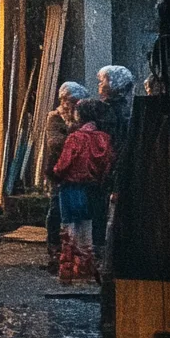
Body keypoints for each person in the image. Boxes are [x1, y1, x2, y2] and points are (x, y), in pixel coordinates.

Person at [52, 97, 115, 284]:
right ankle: (85, 270)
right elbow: (108, 163)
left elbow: (63, 165)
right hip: (93, 188)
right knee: (87, 230)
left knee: (69, 230)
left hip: (71, 187)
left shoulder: (75, 138)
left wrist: (55, 174)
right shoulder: (104, 138)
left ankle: (68, 272)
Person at [43, 80, 88, 274]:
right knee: (56, 209)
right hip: (58, 170)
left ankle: (77, 253)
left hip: (79, 171)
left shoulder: (83, 117)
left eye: (72, 100)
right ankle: (55, 251)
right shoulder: (55, 118)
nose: (68, 104)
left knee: (78, 210)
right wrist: (75, 136)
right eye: (66, 100)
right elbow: (55, 142)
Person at [97, 65, 135, 160]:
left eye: (102, 81)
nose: (99, 84)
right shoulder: (124, 108)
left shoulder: (108, 110)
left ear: (113, 84)